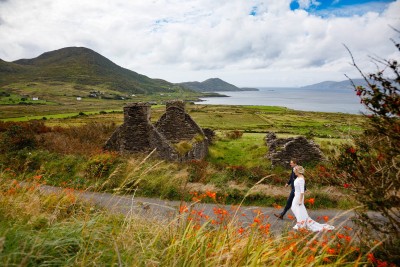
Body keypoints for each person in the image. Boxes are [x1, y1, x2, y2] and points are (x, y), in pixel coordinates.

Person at [291, 165, 334, 231]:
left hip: (299, 196)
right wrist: (295, 193)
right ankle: (301, 223)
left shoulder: (301, 179)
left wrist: (300, 200)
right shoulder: (298, 177)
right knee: (295, 208)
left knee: (298, 210)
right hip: (296, 195)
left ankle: (300, 223)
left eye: (295, 171)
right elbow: (297, 188)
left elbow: (302, 191)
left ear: (298, 171)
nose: (294, 172)